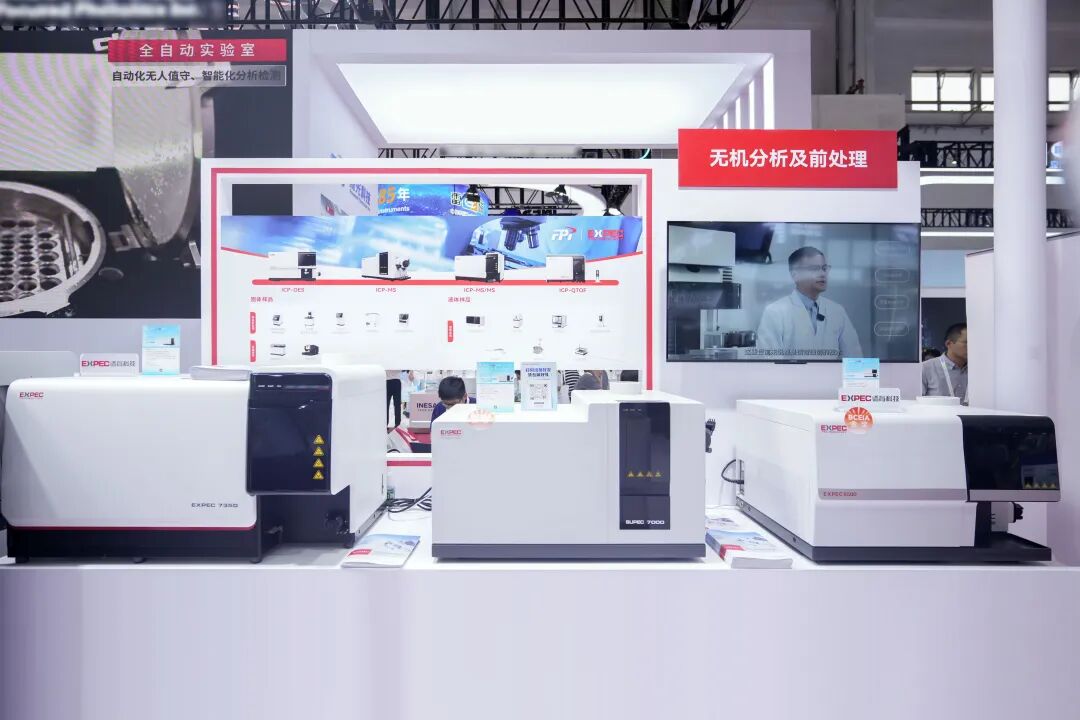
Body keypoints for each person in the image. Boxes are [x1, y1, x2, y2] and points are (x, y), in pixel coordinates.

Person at [756, 246, 863, 359]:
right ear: (795, 275)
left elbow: (856, 361)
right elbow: (768, 364)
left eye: (824, 268)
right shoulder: (774, 312)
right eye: (814, 269)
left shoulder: (837, 311)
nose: (822, 274)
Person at [922, 323, 968, 404]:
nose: (972, 346)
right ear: (948, 344)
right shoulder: (926, 368)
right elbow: (915, 403)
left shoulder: (979, 370)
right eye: (966, 342)